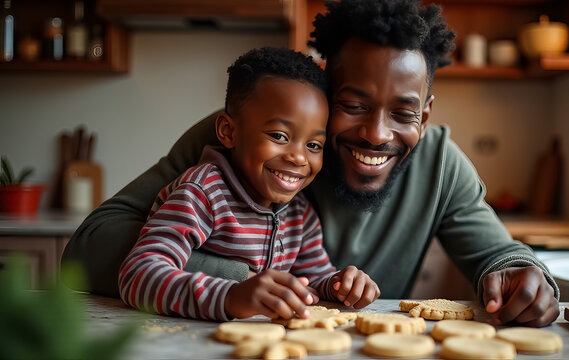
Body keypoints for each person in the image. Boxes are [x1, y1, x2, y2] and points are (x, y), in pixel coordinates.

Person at [63, 0, 560, 327]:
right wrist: (245, 289)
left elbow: (501, 256)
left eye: (403, 113)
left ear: (425, 116)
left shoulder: (442, 169)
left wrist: (522, 276)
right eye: (354, 104)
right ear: (325, 87)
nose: (376, 135)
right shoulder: (245, 138)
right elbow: (88, 249)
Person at [118, 47, 379, 321]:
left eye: (314, 144)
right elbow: (138, 274)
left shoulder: (300, 214)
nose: (299, 157)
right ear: (229, 132)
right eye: (279, 136)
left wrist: (341, 285)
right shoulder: (203, 192)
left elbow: (312, 280)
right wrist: (230, 296)